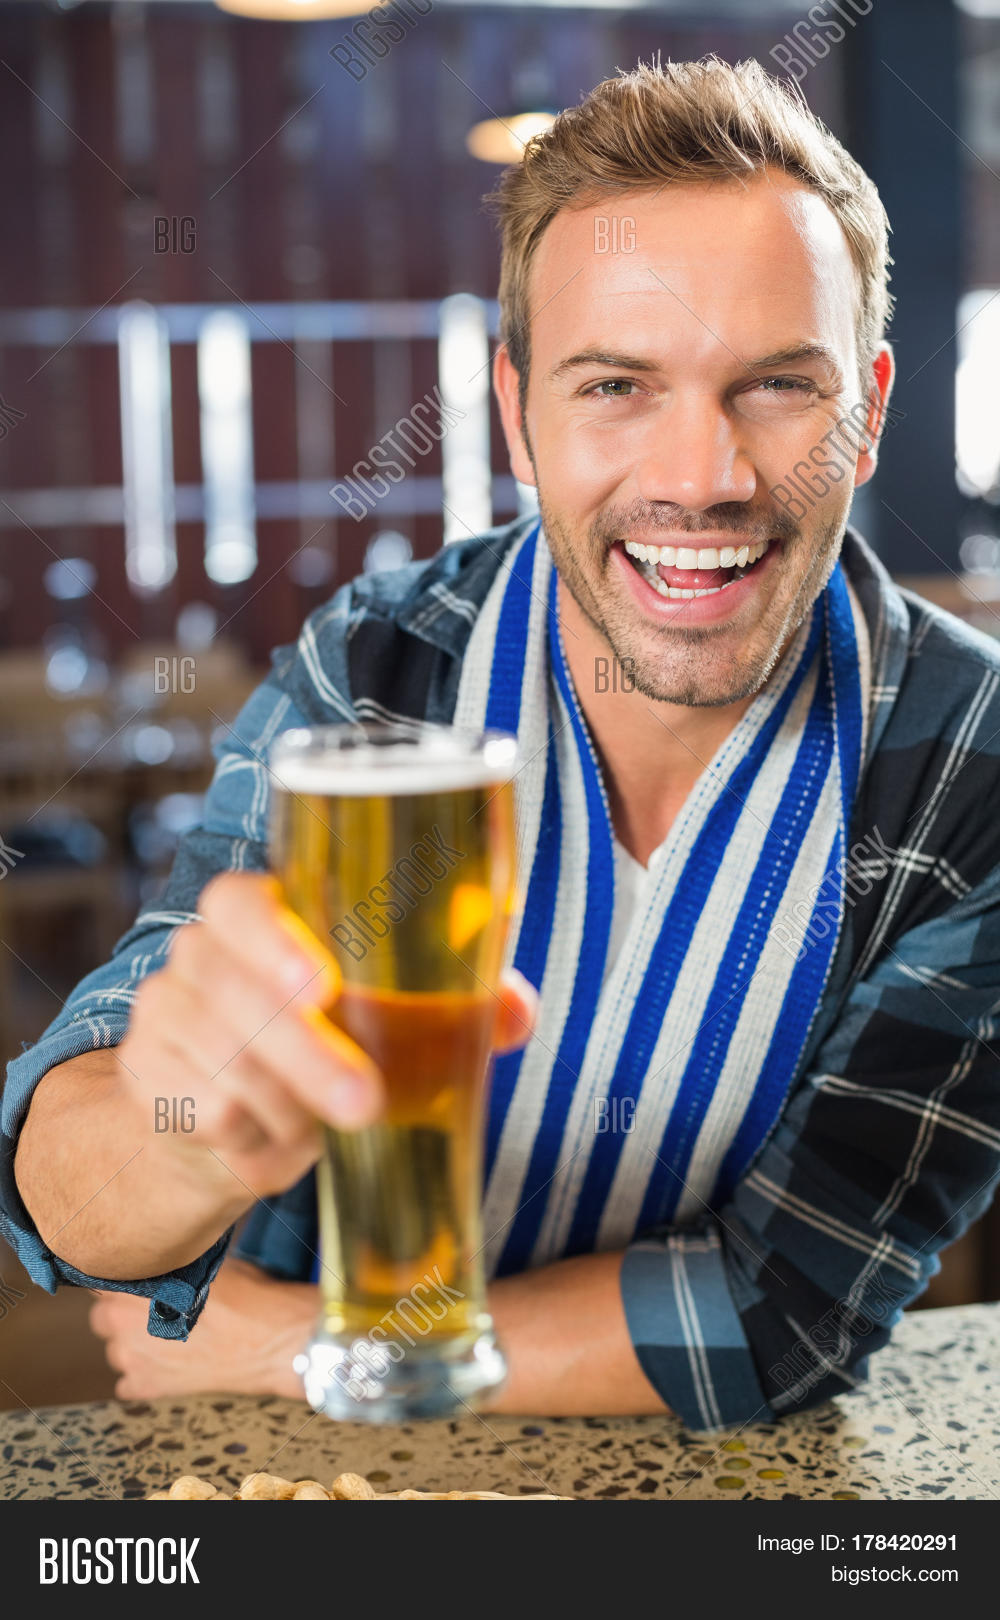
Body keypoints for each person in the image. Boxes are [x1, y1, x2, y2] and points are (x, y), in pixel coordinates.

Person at [5, 57, 1000, 1435]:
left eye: (777, 385)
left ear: (871, 407)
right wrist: (181, 1126)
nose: (700, 475)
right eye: (615, 387)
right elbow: (67, 1197)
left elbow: (785, 1313)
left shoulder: (969, 763)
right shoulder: (380, 664)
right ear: (517, 412)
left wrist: (287, 1344)